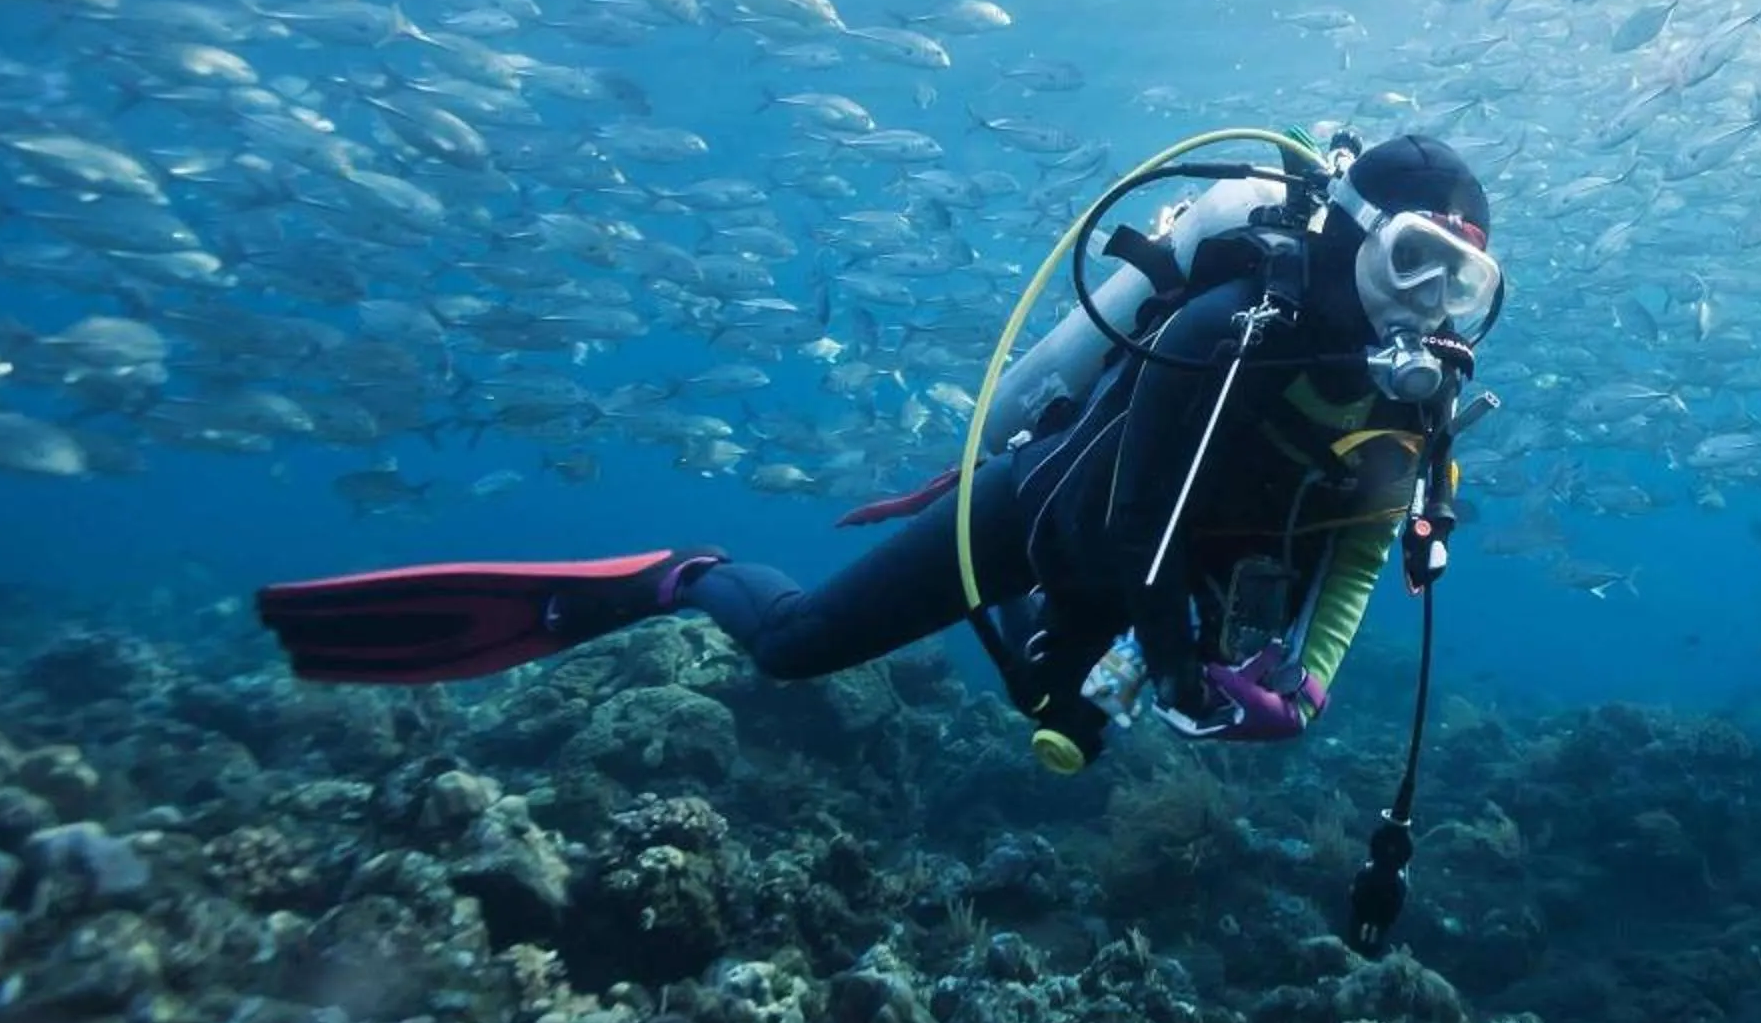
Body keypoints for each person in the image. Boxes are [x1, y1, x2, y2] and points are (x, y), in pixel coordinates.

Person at [258, 131, 1500, 772]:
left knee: (1065, 711)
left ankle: (1091, 667)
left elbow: (1361, 539)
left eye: (1463, 282)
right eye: (1411, 264)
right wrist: (1178, 670)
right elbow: (1129, 528)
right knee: (798, 651)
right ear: (1348, 236)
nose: (1427, 307)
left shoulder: (1423, 403)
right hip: (1050, 520)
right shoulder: (1231, 330)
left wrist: (1312, 683)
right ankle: (682, 577)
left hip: (1158, 594)